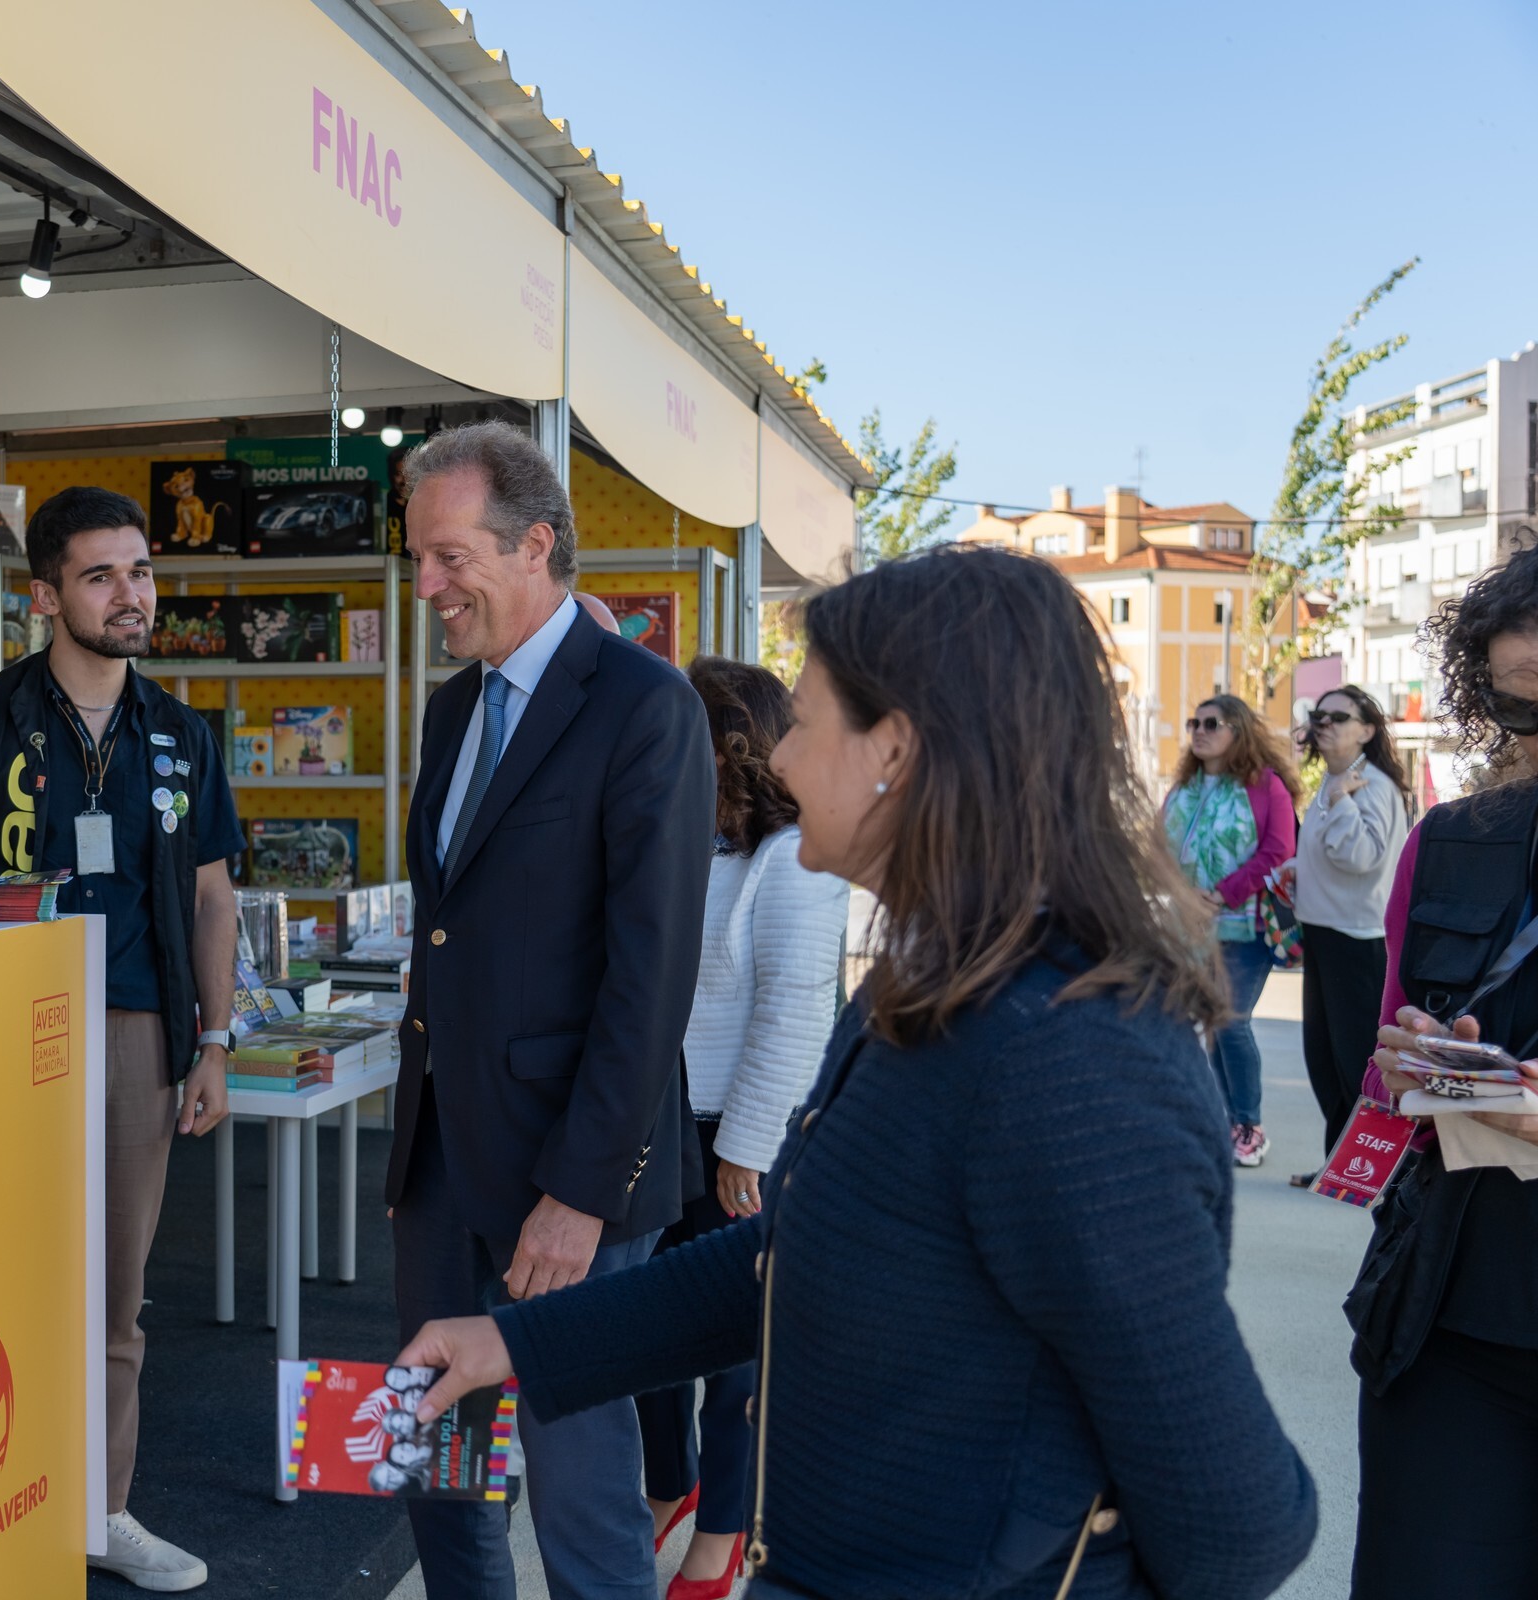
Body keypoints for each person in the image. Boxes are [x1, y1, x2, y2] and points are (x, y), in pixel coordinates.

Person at [392, 545, 1316, 1600]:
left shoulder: (1075, 1061)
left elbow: (1237, 1514)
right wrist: (512, 1342)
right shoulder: (928, 989)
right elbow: (785, 1261)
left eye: (805, 721)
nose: (777, 759)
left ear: (898, 749)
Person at [387, 419, 714, 1600]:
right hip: (438, 1161)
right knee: (441, 1468)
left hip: (566, 1176)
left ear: (535, 545)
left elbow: (651, 974)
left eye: (448, 556)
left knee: (580, 1489)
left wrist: (580, 1196)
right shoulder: (450, 709)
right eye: (418, 559)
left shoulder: (644, 705)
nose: (426, 585)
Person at [0, 485, 241, 1593]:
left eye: (141, 571)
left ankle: (101, 1512)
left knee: (114, 1290)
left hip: (140, 1031)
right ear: (46, 593)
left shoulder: (185, 734)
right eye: (102, 575)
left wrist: (215, 1043)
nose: (130, 594)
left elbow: (212, 900)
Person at [635, 657, 847, 1600]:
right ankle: (666, 1485)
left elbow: (795, 1012)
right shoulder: (683, 841)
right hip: (659, 1129)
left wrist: (747, 1148)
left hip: (735, 1144)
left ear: (724, 740)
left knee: (731, 1359)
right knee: (647, 1338)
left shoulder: (792, 860)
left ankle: (720, 1532)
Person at [1353, 545, 1538, 1598]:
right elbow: (1387, 1080)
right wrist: (1411, 1062)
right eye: (1520, 712)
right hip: (1455, 1320)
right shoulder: (1451, 840)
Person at [1163, 693, 1299, 1167]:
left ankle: (1249, 1126)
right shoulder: (1184, 786)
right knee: (1209, 1028)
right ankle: (1226, 1122)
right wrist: (1181, 897)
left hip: (1246, 927)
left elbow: (1278, 851)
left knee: (1232, 1022)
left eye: (1211, 723)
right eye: (1193, 722)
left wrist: (1220, 894)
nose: (1199, 731)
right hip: (1187, 928)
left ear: (1238, 731)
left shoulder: (1264, 787)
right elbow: (1158, 850)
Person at [1287, 683, 1408, 1183]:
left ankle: (1367, 1171)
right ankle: (1339, 1164)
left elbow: (1361, 859)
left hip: (1355, 940)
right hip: (1323, 933)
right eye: (1320, 714)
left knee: (1356, 1060)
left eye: (1340, 716)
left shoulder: (1369, 785)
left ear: (1367, 730)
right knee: (1325, 1059)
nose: (1326, 722)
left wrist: (1339, 802)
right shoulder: (1336, 780)